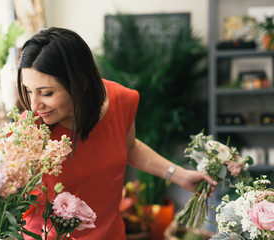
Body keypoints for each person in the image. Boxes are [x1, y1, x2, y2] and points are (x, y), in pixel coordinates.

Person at [16, 27, 217, 240]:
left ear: (81, 83)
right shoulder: (30, 127)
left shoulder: (120, 100)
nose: (34, 104)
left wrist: (180, 175)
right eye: (28, 90)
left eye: (46, 93)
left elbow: (128, 146)